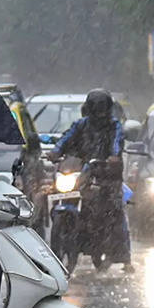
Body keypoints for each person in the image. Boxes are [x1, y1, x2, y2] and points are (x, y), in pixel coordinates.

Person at [51, 89, 135, 273]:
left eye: (102, 109)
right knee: (55, 195)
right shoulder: (80, 125)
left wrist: (113, 157)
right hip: (81, 173)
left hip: (107, 175)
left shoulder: (114, 126)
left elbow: (116, 142)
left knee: (115, 208)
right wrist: (56, 151)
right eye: (96, 109)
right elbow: (65, 139)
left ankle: (125, 256)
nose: (99, 113)